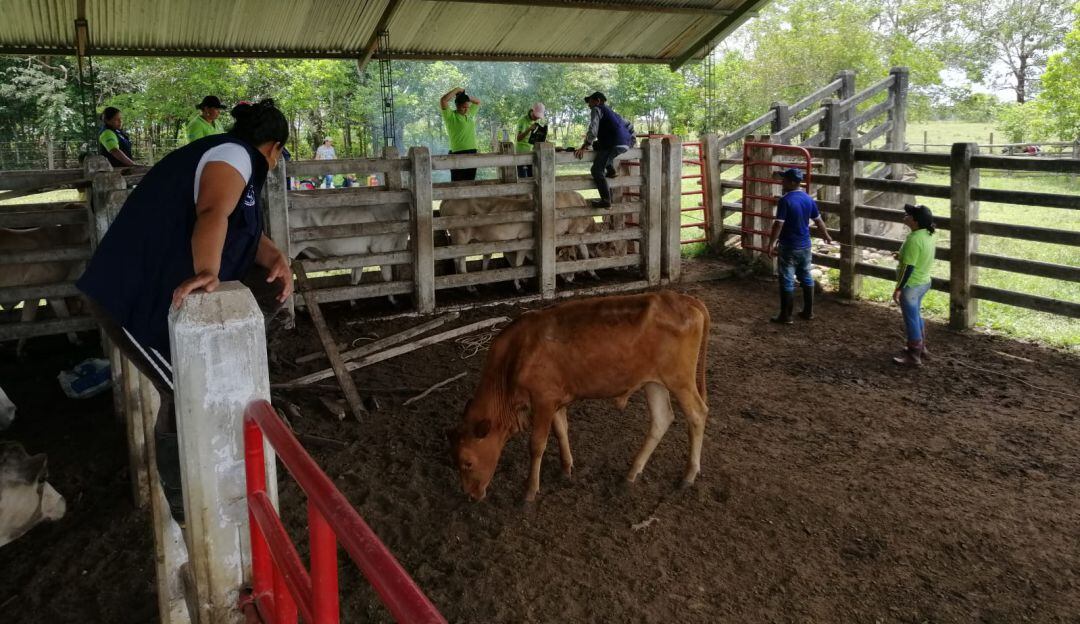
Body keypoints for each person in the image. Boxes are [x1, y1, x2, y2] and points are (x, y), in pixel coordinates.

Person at [77, 99, 293, 522]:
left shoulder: (233, 162)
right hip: (132, 294)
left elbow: (233, 222)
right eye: (281, 154)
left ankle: (201, 488)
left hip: (150, 292)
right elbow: (212, 212)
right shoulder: (235, 155)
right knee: (185, 390)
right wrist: (208, 271)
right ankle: (185, 505)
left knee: (189, 387)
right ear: (274, 148)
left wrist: (274, 257)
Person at [765, 168, 833, 324]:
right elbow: (818, 221)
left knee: (787, 279)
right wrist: (826, 236)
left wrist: (771, 243)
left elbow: (778, 224)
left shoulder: (785, 200)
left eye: (784, 180)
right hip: (805, 246)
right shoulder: (808, 199)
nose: (782, 182)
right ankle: (808, 312)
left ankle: (786, 315)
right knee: (806, 277)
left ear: (791, 182)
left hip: (789, 246)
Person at [892, 203, 936, 366]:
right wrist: (902, 256)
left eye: (909, 214)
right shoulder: (928, 234)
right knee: (916, 316)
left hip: (911, 285)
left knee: (910, 319)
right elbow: (916, 257)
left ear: (915, 221)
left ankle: (914, 355)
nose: (906, 215)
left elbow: (908, 268)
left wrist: (898, 288)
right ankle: (921, 347)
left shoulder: (914, 239)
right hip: (924, 282)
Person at [574, 92, 632, 208]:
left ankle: (606, 200)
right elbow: (628, 124)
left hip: (613, 144)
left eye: (590, 101)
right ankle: (611, 170)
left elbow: (593, 130)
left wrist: (584, 146)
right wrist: (631, 140)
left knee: (596, 171)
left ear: (597, 101)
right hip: (624, 143)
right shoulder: (611, 112)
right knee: (596, 145)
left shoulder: (597, 109)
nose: (589, 105)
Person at [439, 87, 481, 181]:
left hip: (472, 152)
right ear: (457, 105)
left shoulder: (469, 114)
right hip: (457, 152)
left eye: (468, 107)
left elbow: (478, 102)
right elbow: (443, 100)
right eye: (463, 107)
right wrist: (457, 90)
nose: (466, 110)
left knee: (470, 182)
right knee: (457, 183)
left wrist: (464, 96)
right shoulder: (451, 116)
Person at [514, 102, 546, 178]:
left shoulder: (535, 123)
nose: (537, 118)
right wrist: (529, 129)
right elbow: (518, 138)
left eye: (538, 117)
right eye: (536, 115)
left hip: (531, 153)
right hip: (521, 153)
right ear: (532, 111)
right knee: (523, 178)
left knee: (532, 177)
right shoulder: (522, 120)